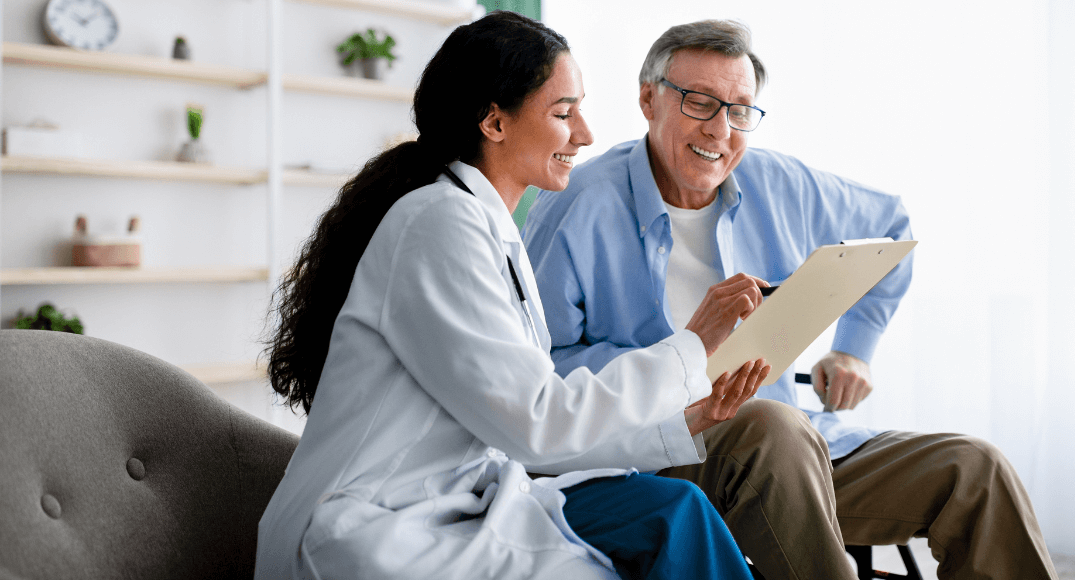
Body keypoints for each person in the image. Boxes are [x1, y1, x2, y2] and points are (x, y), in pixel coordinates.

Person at [522, 19, 1060, 580]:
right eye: (700, 103)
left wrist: (855, 348)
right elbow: (540, 374)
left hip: (795, 450)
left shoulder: (780, 183)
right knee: (773, 427)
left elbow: (890, 226)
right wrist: (682, 363)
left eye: (739, 111)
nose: (720, 131)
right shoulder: (577, 206)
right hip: (657, 450)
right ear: (648, 99)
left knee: (975, 470)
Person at [254, 11, 771, 580]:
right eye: (563, 112)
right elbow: (537, 422)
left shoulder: (487, 225)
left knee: (676, 512)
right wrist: (692, 346)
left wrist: (681, 424)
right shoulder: (437, 223)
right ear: (495, 123)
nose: (586, 134)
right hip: (370, 526)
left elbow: (521, 434)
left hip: (454, 503)